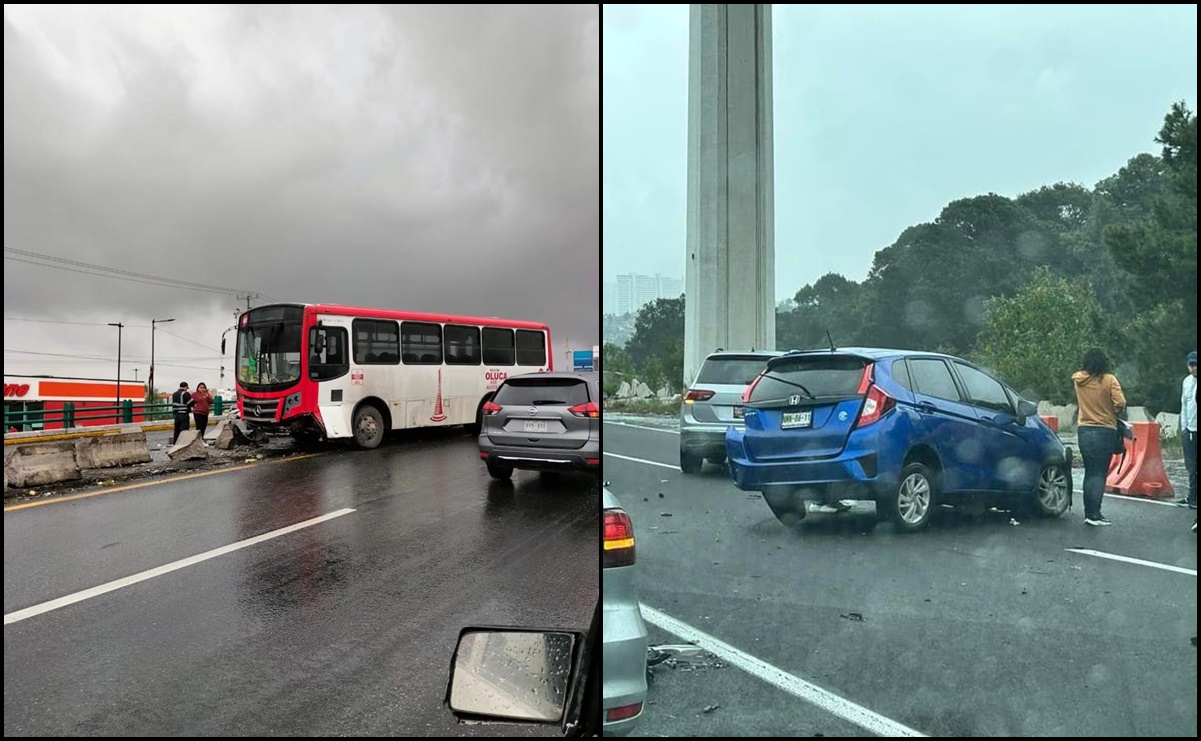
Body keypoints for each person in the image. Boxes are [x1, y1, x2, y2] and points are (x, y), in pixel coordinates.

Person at [1072, 348, 1126, 526]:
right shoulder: (1109, 380)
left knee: (1090, 472)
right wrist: (1112, 412)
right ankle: (1095, 514)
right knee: (1100, 473)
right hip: (1104, 430)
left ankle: (1089, 513)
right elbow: (1120, 403)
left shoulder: (1078, 380)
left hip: (1084, 430)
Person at [1175, 350, 1197, 509]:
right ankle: (1192, 496)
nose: (1195, 368)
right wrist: (1183, 428)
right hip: (1189, 430)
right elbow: (1184, 405)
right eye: (1192, 365)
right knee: (1191, 466)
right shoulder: (1187, 382)